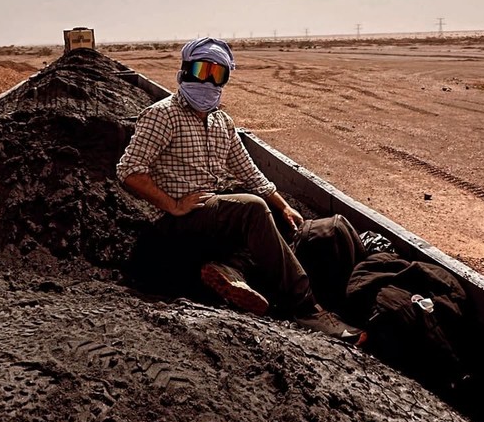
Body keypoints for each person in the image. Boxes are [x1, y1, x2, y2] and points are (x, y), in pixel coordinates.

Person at [117, 37, 365, 344]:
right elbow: (129, 170)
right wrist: (173, 205)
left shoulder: (223, 121)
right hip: (180, 221)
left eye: (216, 74)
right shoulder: (162, 114)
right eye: (200, 70)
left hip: (215, 214)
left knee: (271, 214)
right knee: (251, 207)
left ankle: (231, 272)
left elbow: (249, 172)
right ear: (184, 72)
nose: (207, 80)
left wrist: (282, 205)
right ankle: (307, 308)